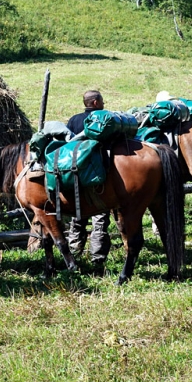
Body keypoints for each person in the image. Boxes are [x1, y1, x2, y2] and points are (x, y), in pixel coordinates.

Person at [65, 90, 111, 266]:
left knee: (77, 218)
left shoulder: (74, 120)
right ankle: (97, 260)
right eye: (102, 100)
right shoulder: (105, 119)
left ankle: (74, 257)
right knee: (99, 219)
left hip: (77, 179)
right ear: (95, 103)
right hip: (99, 179)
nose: (104, 103)